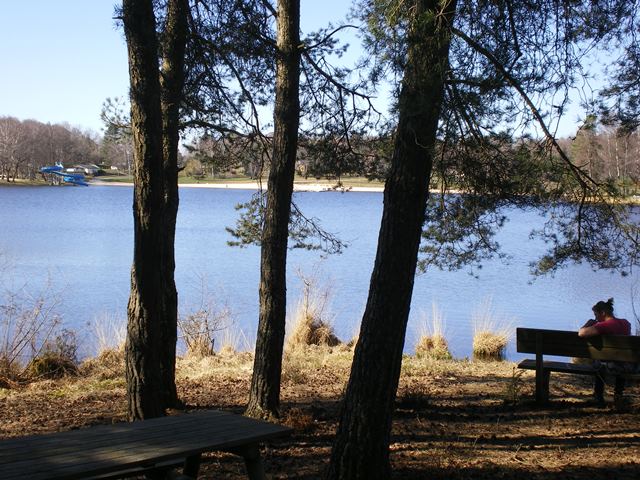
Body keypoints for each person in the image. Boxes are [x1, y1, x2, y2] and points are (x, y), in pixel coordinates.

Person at [578, 298, 632, 406]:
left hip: (611, 366)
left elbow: (581, 333)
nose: (596, 318)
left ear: (603, 313)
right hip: (627, 365)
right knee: (615, 360)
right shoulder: (626, 323)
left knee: (599, 364)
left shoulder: (604, 326)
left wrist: (588, 323)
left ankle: (598, 397)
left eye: (596, 314)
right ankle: (618, 395)